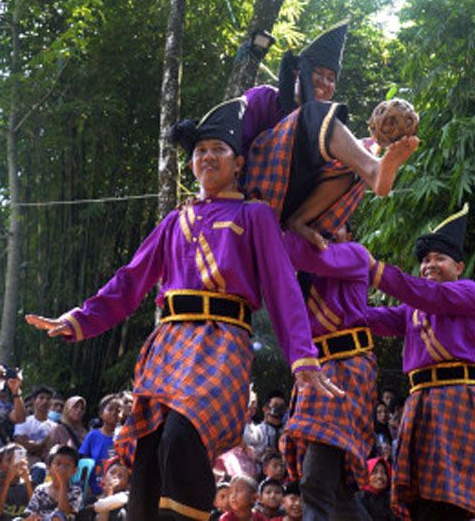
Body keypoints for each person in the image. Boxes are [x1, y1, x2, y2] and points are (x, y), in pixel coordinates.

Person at [25, 97, 341, 520]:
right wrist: (79, 319)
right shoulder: (175, 221)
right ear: (192, 163)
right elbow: (130, 280)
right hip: (169, 341)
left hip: (222, 340)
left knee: (182, 435)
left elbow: (284, 290)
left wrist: (303, 357)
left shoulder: (255, 215)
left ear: (239, 162)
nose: (207, 157)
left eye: (218, 150)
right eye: (200, 152)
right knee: (151, 447)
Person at [234, 21, 419, 250]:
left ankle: (299, 221)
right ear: (298, 73)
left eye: (331, 78)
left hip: (292, 200)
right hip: (256, 189)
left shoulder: (324, 125)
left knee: (360, 149)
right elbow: (230, 145)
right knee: (314, 114)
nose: (324, 82)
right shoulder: (264, 97)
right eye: (317, 73)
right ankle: (374, 169)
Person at [366, 204, 475, 520]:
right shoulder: (413, 307)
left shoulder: (468, 292)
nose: (429, 265)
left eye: (439, 258)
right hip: (420, 402)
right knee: (420, 497)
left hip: (458, 399)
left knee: (451, 499)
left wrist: (374, 269)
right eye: (424, 260)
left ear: (459, 266)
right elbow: (373, 318)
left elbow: (428, 296)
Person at [279, 224, 378, 521]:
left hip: (348, 368)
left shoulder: (353, 254)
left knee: (315, 480)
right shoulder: (302, 275)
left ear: (350, 233)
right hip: (315, 370)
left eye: (337, 223)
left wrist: (291, 228)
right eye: (319, 223)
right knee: (336, 491)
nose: (327, 229)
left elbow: (293, 251)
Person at [22, 445, 83, 521]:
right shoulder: (41, 489)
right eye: (58, 464)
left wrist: (63, 482)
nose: (62, 468)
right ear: (49, 467)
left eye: (67, 465)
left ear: (74, 471)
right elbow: (30, 512)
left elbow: (64, 511)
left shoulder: (75, 491)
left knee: (58, 517)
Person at [79, 394, 122, 497]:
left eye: (118, 410)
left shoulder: (124, 437)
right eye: (110, 409)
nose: (114, 413)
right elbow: (84, 463)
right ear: (101, 413)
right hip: (94, 488)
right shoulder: (93, 436)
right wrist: (85, 486)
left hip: (118, 489)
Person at [0, 443, 33, 521]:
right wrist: (7, 483)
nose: (14, 464)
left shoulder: (29, 483)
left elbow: (35, 509)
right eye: (9, 460)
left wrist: (27, 482)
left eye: (19, 459)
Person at [14, 386, 57, 465]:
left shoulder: (55, 427)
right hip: (24, 466)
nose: (45, 401)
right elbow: (21, 446)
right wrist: (43, 444)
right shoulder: (23, 422)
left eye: (48, 399)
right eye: (41, 398)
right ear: (34, 401)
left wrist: (34, 446)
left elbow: (52, 450)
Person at [256, 392, 286, 458]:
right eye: (275, 405)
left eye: (282, 406)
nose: (279, 409)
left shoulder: (287, 431)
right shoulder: (257, 431)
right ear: (265, 409)